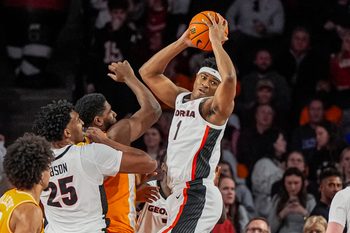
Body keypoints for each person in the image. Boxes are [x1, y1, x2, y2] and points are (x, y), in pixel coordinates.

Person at [139, 11, 237, 232]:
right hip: (178, 193)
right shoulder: (181, 99)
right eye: (203, 77)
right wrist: (183, 42)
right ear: (196, 78)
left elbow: (229, 78)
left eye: (213, 82)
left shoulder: (214, 110)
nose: (205, 84)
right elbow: (148, 73)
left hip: (196, 191)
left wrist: (215, 41)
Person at [32, 99, 157, 233]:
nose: (82, 123)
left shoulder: (37, 164)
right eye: (78, 120)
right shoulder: (89, 154)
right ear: (67, 133)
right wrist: (107, 142)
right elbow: (149, 163)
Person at [75, 60, 162, 233]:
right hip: (116, 227)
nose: (115, 113)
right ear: (98, 120)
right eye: (110, 111)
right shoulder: (115, 134)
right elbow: (153, 110)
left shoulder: (77, 149)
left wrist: (134, 195)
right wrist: (130, 78)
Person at [0, 133, 53, 233]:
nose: (50, 172)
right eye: (48, 167)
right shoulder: (30, 212)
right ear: (41, 175)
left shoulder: (9, 195)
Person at [268, 168, 316, 233]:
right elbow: (269, 229)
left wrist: (303, 212)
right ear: (284, 184)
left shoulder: (310, 199)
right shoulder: (278, 199)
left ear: (302, 184)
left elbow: (317, 226)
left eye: (296, 183)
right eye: (289, 183)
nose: (293, 187)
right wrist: (283, 213)